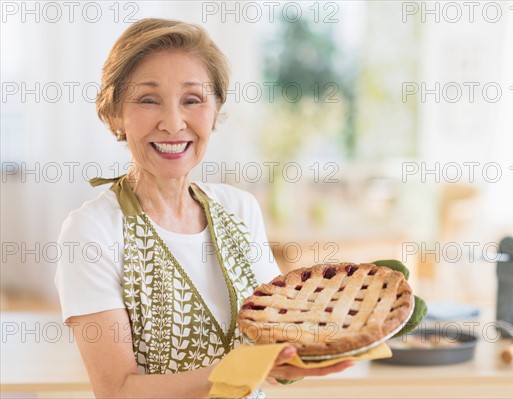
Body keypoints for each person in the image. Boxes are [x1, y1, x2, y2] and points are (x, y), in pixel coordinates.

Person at [55, 18, 353, 398]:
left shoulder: (239, 209)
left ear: (214, 111)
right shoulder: (92, 232)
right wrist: (247, 369)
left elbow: (274, 355)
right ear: (115, 113)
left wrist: (301, 355)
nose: (173, 122)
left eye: (192, 100)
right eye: (148, 100)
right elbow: (117, 391)